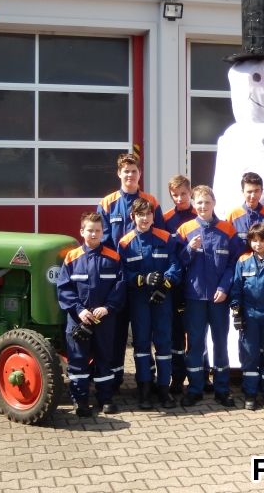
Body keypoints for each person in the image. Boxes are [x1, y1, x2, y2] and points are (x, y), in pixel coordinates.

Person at [97, 152, 164, 393]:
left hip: (144, 278)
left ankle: (147, 380)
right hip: (116, 278)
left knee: (145, 332)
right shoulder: (107, 203)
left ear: (140, 173)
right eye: (126, 171)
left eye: (134, 171)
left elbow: (161, 237)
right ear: (119, 173)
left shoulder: (150, 201)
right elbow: (102, 240)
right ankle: (115, 378)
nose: (130, 175)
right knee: (116, 330)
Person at [176, 185, 244, 408]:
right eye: (199, 202)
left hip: (218, 298)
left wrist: (224, 288)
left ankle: (222, 389)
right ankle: (194, 389)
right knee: (195, 344)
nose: (203, 206)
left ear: (214, 203)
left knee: (220, 343)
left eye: (207, 202)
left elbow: (235, 263)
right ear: (193, 205)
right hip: (194, 296)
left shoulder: (227, 229)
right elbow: (177, 262)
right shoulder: (185, 230)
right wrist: (189, 249)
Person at [57, 212, 125, 417]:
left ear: (103, 232)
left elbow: (120, 286)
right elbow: (63, 288)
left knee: (105, 357)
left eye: (97, 230)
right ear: (81, 232)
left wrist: (108, 307)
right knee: (78, 359)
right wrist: (79, 310)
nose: (94, 234)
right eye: (90, 230)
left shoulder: (113, 257)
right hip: (79, 319)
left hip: (105, 319)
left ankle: (105, 398)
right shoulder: (72, 257)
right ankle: (80, 400)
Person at [118, 198, 182, 409]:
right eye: (140, 215)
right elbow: (122, 273)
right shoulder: (125, 243)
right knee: (141, 344)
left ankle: (164, 389)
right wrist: (140, 279)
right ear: (133, 217)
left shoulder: (166, 238)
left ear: (154, 216)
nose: (144, 219)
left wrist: (165, 285)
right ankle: (144, 388)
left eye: (148, 214)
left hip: (162, 299)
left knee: (164, 343)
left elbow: (175, 266)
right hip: (139, 300)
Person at [229, 222, 264, 411]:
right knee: (249, 354)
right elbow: (236, 288)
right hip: (249, 315)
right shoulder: (243, 261)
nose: (258, 244)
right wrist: (237, 311)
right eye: (254, 241)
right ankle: (250, 394)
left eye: (262, 240)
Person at [162, 174, 210, 394]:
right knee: (176, 333)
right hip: (175, 285)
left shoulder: (200, 213)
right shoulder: (166, 219)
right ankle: (177, 377)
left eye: (183, 193)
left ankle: (202, 376)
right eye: (175, 195)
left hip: (196, 283)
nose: (180, 198)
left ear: (190, 192)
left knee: (197, 332)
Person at [225, 172, 264, 245]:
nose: (253, 195)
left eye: (256, 191)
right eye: (249, 192)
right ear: (242, 192)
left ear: (261, 191)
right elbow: (225, 243)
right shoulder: (232, 215)